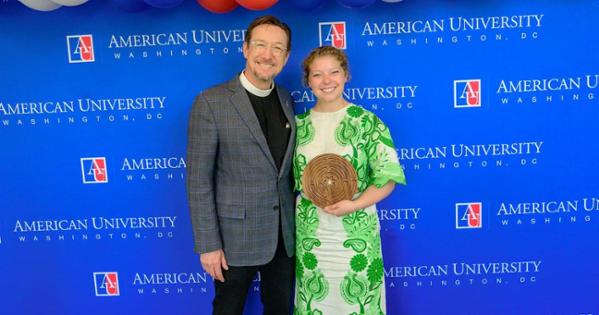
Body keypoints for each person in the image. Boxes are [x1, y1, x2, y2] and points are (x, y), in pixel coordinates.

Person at [186, 15, 296, 315]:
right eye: (260, 45)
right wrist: (208, 244)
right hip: (234, 240)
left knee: (280, 309)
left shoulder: (286, 99)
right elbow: (198, 181)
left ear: (285, 58)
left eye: (277, 48)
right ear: (245, 48)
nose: (267, 55)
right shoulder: (211, 102)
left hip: (283, 239)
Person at [293, 46, 406, 315]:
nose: (327, 80)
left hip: (356, 235)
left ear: (346, 75)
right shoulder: (296, 126)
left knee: (358, 303)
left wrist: (353, 206)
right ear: (308, 81)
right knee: (314, 302)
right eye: (317, 75)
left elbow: (387, 179)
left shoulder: (368, 123)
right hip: (312, 237)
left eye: (334, 72)